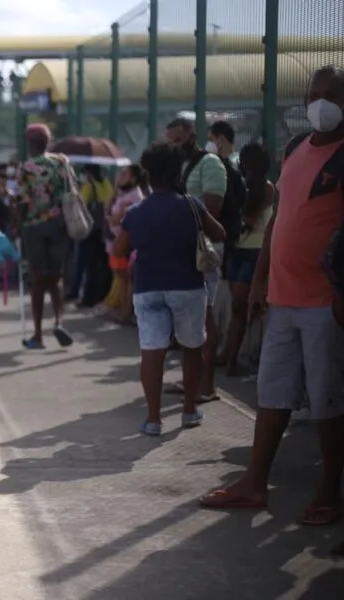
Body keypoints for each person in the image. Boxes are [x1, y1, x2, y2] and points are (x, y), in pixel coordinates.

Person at [200, 65, 344, 526]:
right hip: (284, 296)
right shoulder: (297, 147)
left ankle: (328, 492)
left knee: (328, 399)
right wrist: (262, 281)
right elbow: (279, 223)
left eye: (331, 94)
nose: (319, 102)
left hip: (327, 301)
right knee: (274, 391)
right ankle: (253, 483)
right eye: (314, 93)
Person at [114, 141, 226, 436]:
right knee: (191, 348)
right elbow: (220, 233)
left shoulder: (136, 212)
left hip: (148, 288)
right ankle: (189, 411)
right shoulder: (191, 205)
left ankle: (153, 419)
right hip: (188, 287)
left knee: (152, 352)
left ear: (148, 175)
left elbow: (119, 248)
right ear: (179, 174)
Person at [165, 117, 228, 402]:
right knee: (190, 317)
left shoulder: (210, 164)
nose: (175, 146)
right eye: (171, 142)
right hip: (183, 248)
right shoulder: (183, 165)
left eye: (178, 140)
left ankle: (207, 385)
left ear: (191, 135)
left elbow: (213, 207)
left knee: (206, 315)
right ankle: (193, 379)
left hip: (204, 249)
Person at [217, 143, 274, 376]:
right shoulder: (241, 186)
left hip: (255, 251)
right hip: (237, 249)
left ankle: (232, 357)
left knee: (241, 304)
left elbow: (249, 219)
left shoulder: (267, 189)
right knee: (237, 307)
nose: (245, 167)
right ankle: (229, 354)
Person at [17, 123, 74, 349]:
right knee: (56, 277)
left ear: (30, 143)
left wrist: (17, 224)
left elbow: (22, 201)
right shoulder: (60, 162)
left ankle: (38, 335)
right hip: (59, 225)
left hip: (34, 227)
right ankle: (59, 321)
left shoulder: (26, 168)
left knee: (38, 279)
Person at [104, 165, 147, 324]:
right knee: (122, 277)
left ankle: (125, 313)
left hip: (128, 244)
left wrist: (111, 216)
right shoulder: (123, 194)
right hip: (118, 242)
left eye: (124, 174)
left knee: (126, 279)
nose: (120, 176)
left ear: (134, 179)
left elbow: (115, 219)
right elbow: (108, 210)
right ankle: (123, 310)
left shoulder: (135, 197)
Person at [74, 164, 114, 307]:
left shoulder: (89, 186)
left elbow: (82, 204)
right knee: (103, 263)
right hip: (104, 228)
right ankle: (102, 295)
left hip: (90, 229)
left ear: (89, 172)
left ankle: (88, 298)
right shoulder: (107, 184)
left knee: (89, 263)